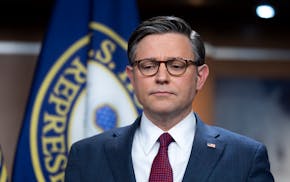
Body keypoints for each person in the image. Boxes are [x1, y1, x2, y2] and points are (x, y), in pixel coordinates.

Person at [65, 16, 274, 182]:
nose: (162, 77)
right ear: (131, 77)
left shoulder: (244, 158)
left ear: (199, 78)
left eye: (176, 66)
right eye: (148, 66)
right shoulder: (87, 156)